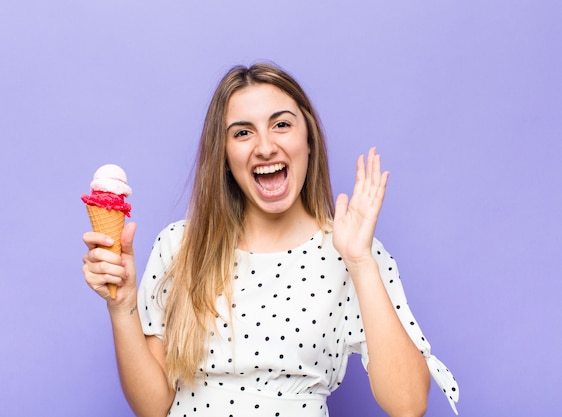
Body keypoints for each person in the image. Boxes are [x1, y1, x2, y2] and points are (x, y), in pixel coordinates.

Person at [82, 63, 458, 417]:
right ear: (225, 156)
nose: (264, 147)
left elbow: (408, 404)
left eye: (281, 125)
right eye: (243, 133)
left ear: (307, 140)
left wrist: (359, 262)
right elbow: (152, 407)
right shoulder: (179, 246)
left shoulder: (352, 249)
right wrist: (123, 307)